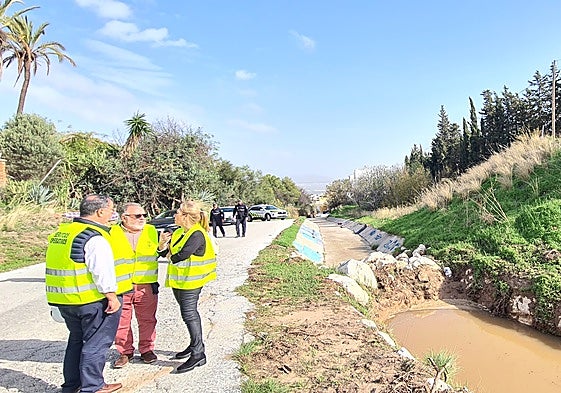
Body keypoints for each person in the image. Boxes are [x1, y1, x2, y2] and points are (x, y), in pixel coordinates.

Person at [46, 194, 130, 393]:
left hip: (65, 300)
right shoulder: (94, 237)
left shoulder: (64, 232)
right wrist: (111, 296)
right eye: (111, 210)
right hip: (92, 301)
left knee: (76, 341)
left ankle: (72, 385)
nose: (112, 214)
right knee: (96, 343)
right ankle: (93, 386)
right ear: (100, 212)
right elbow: (101, 271)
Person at [161, 200, 216, 373]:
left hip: (192, 282)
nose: (174, 215)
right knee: (187, 315)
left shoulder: (197, 234)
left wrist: (170, 255)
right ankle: (194, 345)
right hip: (180, 282)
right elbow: (165, 253)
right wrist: (162, 244)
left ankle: (198, 353)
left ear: (185, 216)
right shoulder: (179, 232)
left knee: (190, 314)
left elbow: (181, 255)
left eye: (177, 212)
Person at [110, 202, 166, 368]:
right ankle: (125, 352)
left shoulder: (151, 231)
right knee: (122, 321)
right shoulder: (111, 233)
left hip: (145, 285)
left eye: (144, 215)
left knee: (148, 319)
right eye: (137, 216)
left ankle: (147, 350)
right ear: (124, 218)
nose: (142, 219)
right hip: (121, 286)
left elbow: (161, 252)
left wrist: (162, 246)